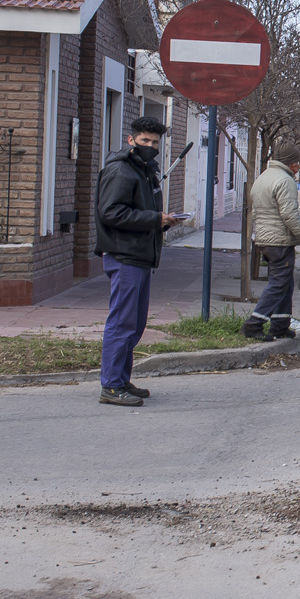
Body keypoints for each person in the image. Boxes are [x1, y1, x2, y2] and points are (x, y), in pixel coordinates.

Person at [94, 115, 182, 407]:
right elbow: (111, 212)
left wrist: (163, 221)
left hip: (141, 255)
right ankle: (111, 385)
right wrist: (154, 219)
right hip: (125, 255)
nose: (150, 146)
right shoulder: (121, 170)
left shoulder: (145, 171)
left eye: (155, 142)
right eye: (145, 140)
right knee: (122, 323)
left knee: (134, 323)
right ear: (131, 140)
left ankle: (120, 379)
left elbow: (140, 213)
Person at [246, 143, 300, 340]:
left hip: (265, 239)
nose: (299, 167)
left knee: (286, 284)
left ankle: (280, 325)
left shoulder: (263, 177)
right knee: (278, 284)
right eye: (298, 163)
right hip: (279, 241)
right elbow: (290, 216)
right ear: (291, 163)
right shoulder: (285, 181)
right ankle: (254, 324)